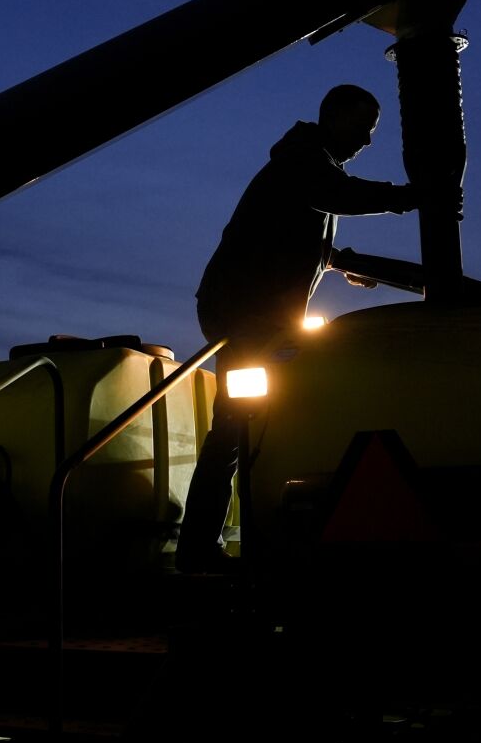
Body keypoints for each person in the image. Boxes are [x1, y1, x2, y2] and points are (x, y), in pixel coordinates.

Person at [176, 83, 417, 569]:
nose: (368, 142)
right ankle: (201, 550)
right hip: (240, 314)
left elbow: (295, 234)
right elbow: (330, 196)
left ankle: (222, 543)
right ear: (333, 117)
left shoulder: (312, 168)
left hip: (260, 317)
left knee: (250, 427)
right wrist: (407, 197)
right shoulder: (302, 162)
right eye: (363, 129)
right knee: (233, 429)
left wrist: (344, 263)